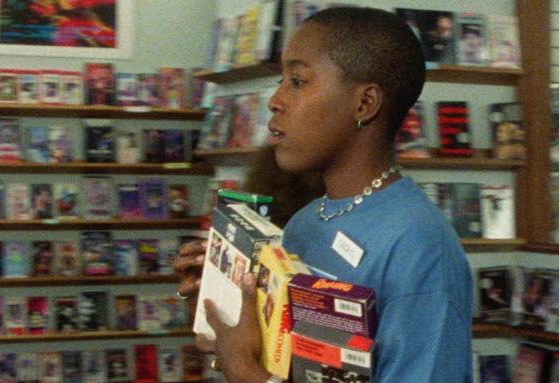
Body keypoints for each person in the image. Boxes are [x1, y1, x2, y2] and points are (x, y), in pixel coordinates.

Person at [177, 7, 472, 383]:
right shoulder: (304, 224)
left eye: (297, 81)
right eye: (282, 79)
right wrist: (222, 311)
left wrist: (245, 372)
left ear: (364, 104)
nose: (275, 100)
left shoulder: (423, 251)